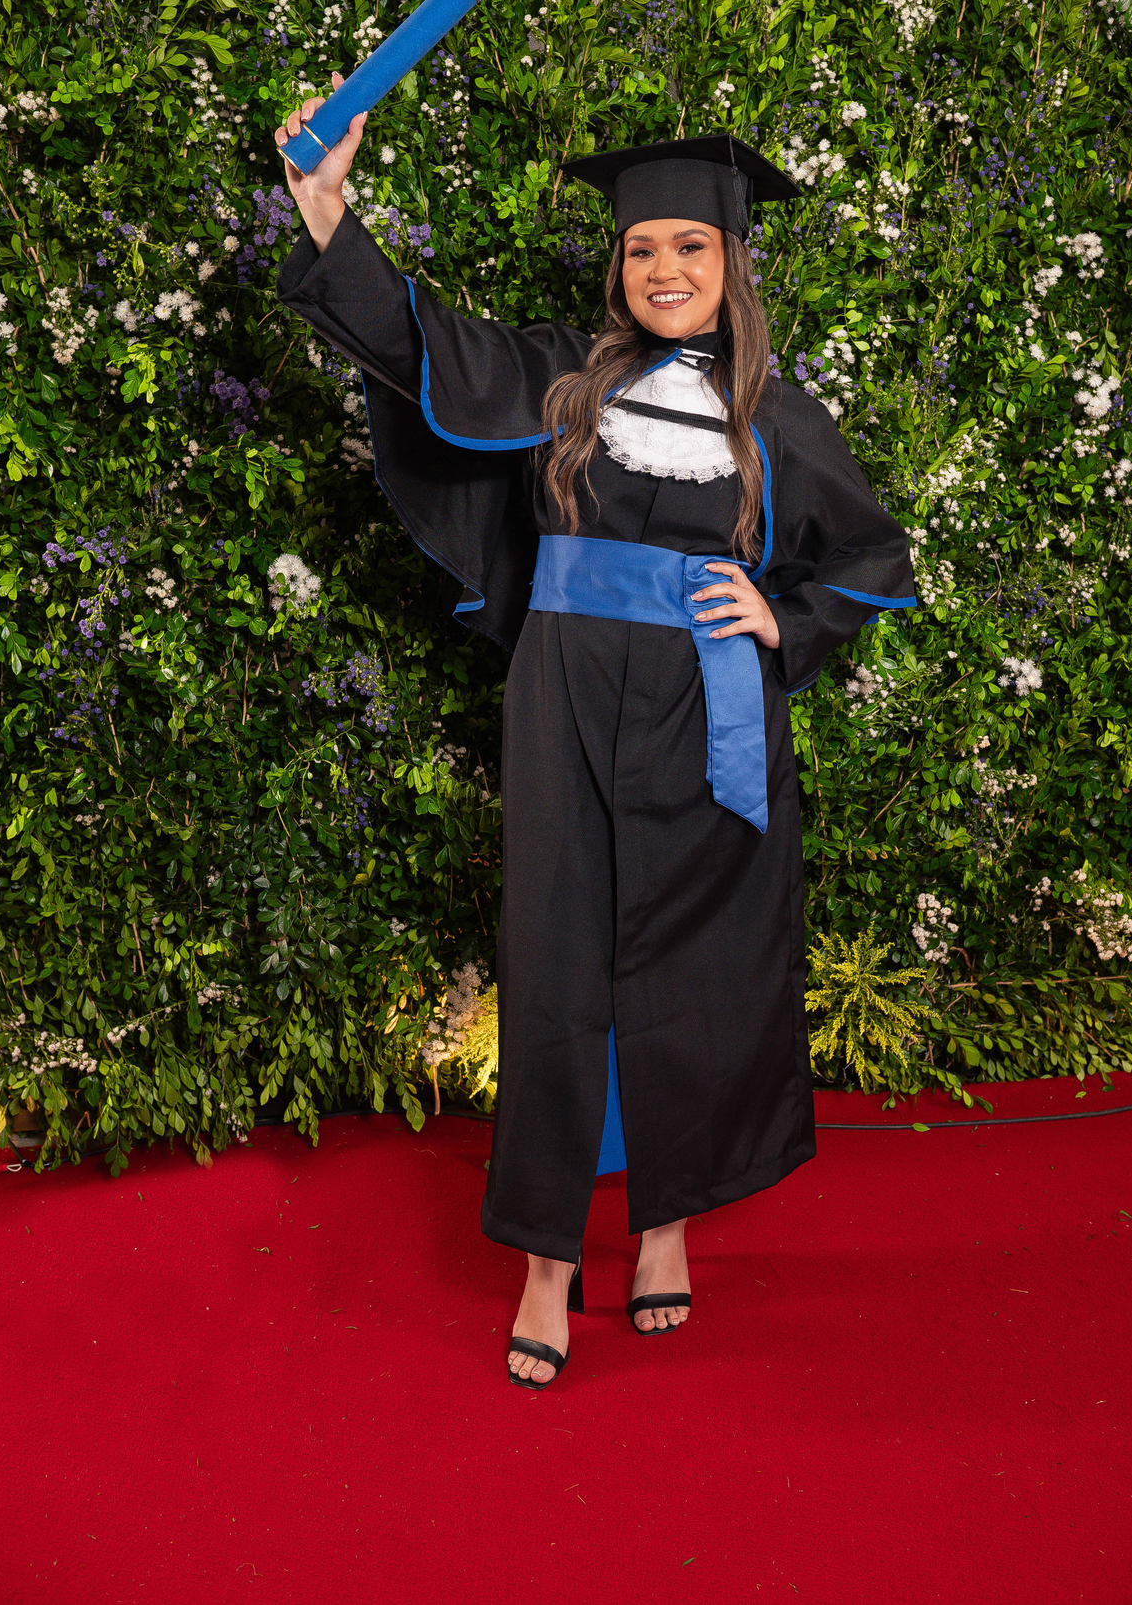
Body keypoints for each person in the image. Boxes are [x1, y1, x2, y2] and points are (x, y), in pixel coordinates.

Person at [275, 85, 915, 1391]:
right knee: (560, 955)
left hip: (708, 708)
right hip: (564, 694)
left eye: (691, 245)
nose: (665, 268)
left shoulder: (775, 414)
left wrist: (785, 619)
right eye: (641, 247)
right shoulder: (563, 379)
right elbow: (420, 343)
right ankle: (546, 1255)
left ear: (732, 260)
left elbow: (870, 555)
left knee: (693, 962)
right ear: (618, 265)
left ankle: (665, 1223)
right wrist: (327, 206)